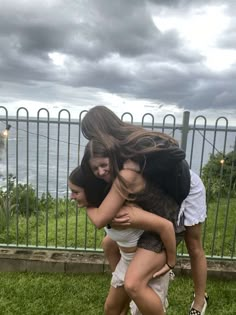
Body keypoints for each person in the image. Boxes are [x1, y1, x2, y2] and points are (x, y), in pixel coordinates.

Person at [81, 105, 208, 315]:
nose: (92, 142)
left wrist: (85, 199)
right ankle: (136, 281)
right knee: (109, 243)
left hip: (185, 189)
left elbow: (176, 150)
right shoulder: (118, 152)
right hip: (162, 195)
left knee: (193, 244)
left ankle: (199, 300)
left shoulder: (132, 148)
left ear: (102, 130)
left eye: (92, 135)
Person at [80, 138, 185, 315]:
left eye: (103, 164)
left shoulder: (126, 182)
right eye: (95, 168)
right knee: (109, 245)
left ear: (112, 159)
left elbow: (166, 226)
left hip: (161, 233)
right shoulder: (117, 182)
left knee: (133, 285)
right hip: (146, 236)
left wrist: (171, 261)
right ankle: (124, 286)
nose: (100, 171)